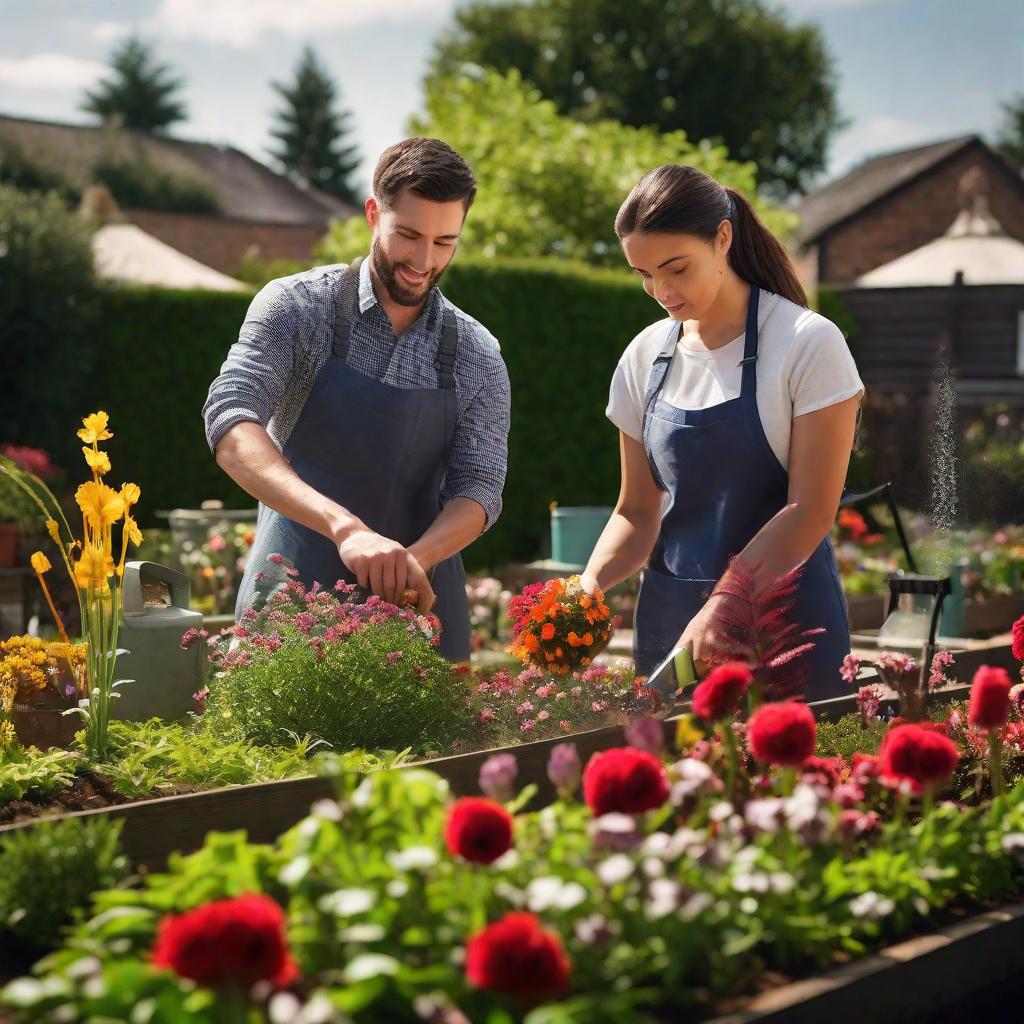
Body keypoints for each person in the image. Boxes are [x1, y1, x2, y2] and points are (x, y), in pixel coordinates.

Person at [202, 138, 511, 662]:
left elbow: (480, 486)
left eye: (444, 242)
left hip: (420, 612)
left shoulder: (478, 353)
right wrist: (346, 529)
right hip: (293, 604)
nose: (423, 260)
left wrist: (413, 561)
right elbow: (232, 423)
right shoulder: (296, 308)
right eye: (408, 235)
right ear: (373, 214)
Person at [580, 164, 864, 700]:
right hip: (672, 631)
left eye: (676, 268)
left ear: (723, 238)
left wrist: (726, 602)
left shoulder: (807, 344)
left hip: (787, 633)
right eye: (643, 274)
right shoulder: (643, 357)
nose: (660, 290)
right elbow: (636, 512)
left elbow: (811, 510)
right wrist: (587, 587)